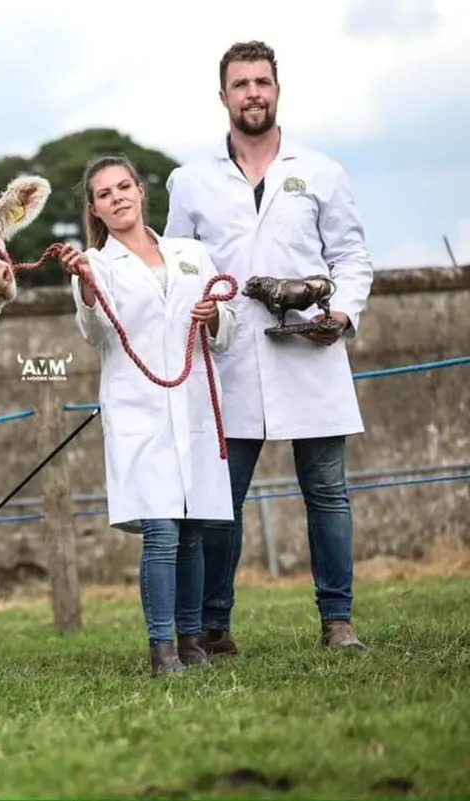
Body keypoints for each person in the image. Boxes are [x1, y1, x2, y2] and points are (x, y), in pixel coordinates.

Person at [163, 40, 375, 653]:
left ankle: (337, 621)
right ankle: (214, 626)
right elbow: (179, 267)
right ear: (223, 96)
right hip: (228, 359)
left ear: (277, 90)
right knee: (220, 501)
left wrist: (341, 313)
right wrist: (200, 315)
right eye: (241, 84)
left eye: (261, 82)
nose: (252, 93)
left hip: (311, 351)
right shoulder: (190, 181)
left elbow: (351, 257)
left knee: (327, 493)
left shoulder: (322, 171)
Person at [59, 153, 238, 678]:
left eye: (123, 187)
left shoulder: (191, 253)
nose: (117, 198)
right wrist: (85, 285)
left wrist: (214, 316)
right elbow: (94, 331)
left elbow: (226, 332)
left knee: (192, 528)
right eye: (104, 194)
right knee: (161, 528)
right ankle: (162, 648)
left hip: (193, 403)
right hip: (138, 410)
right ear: (94, 208)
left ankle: (192, 639)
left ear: (140, 190)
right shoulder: (96, 265)